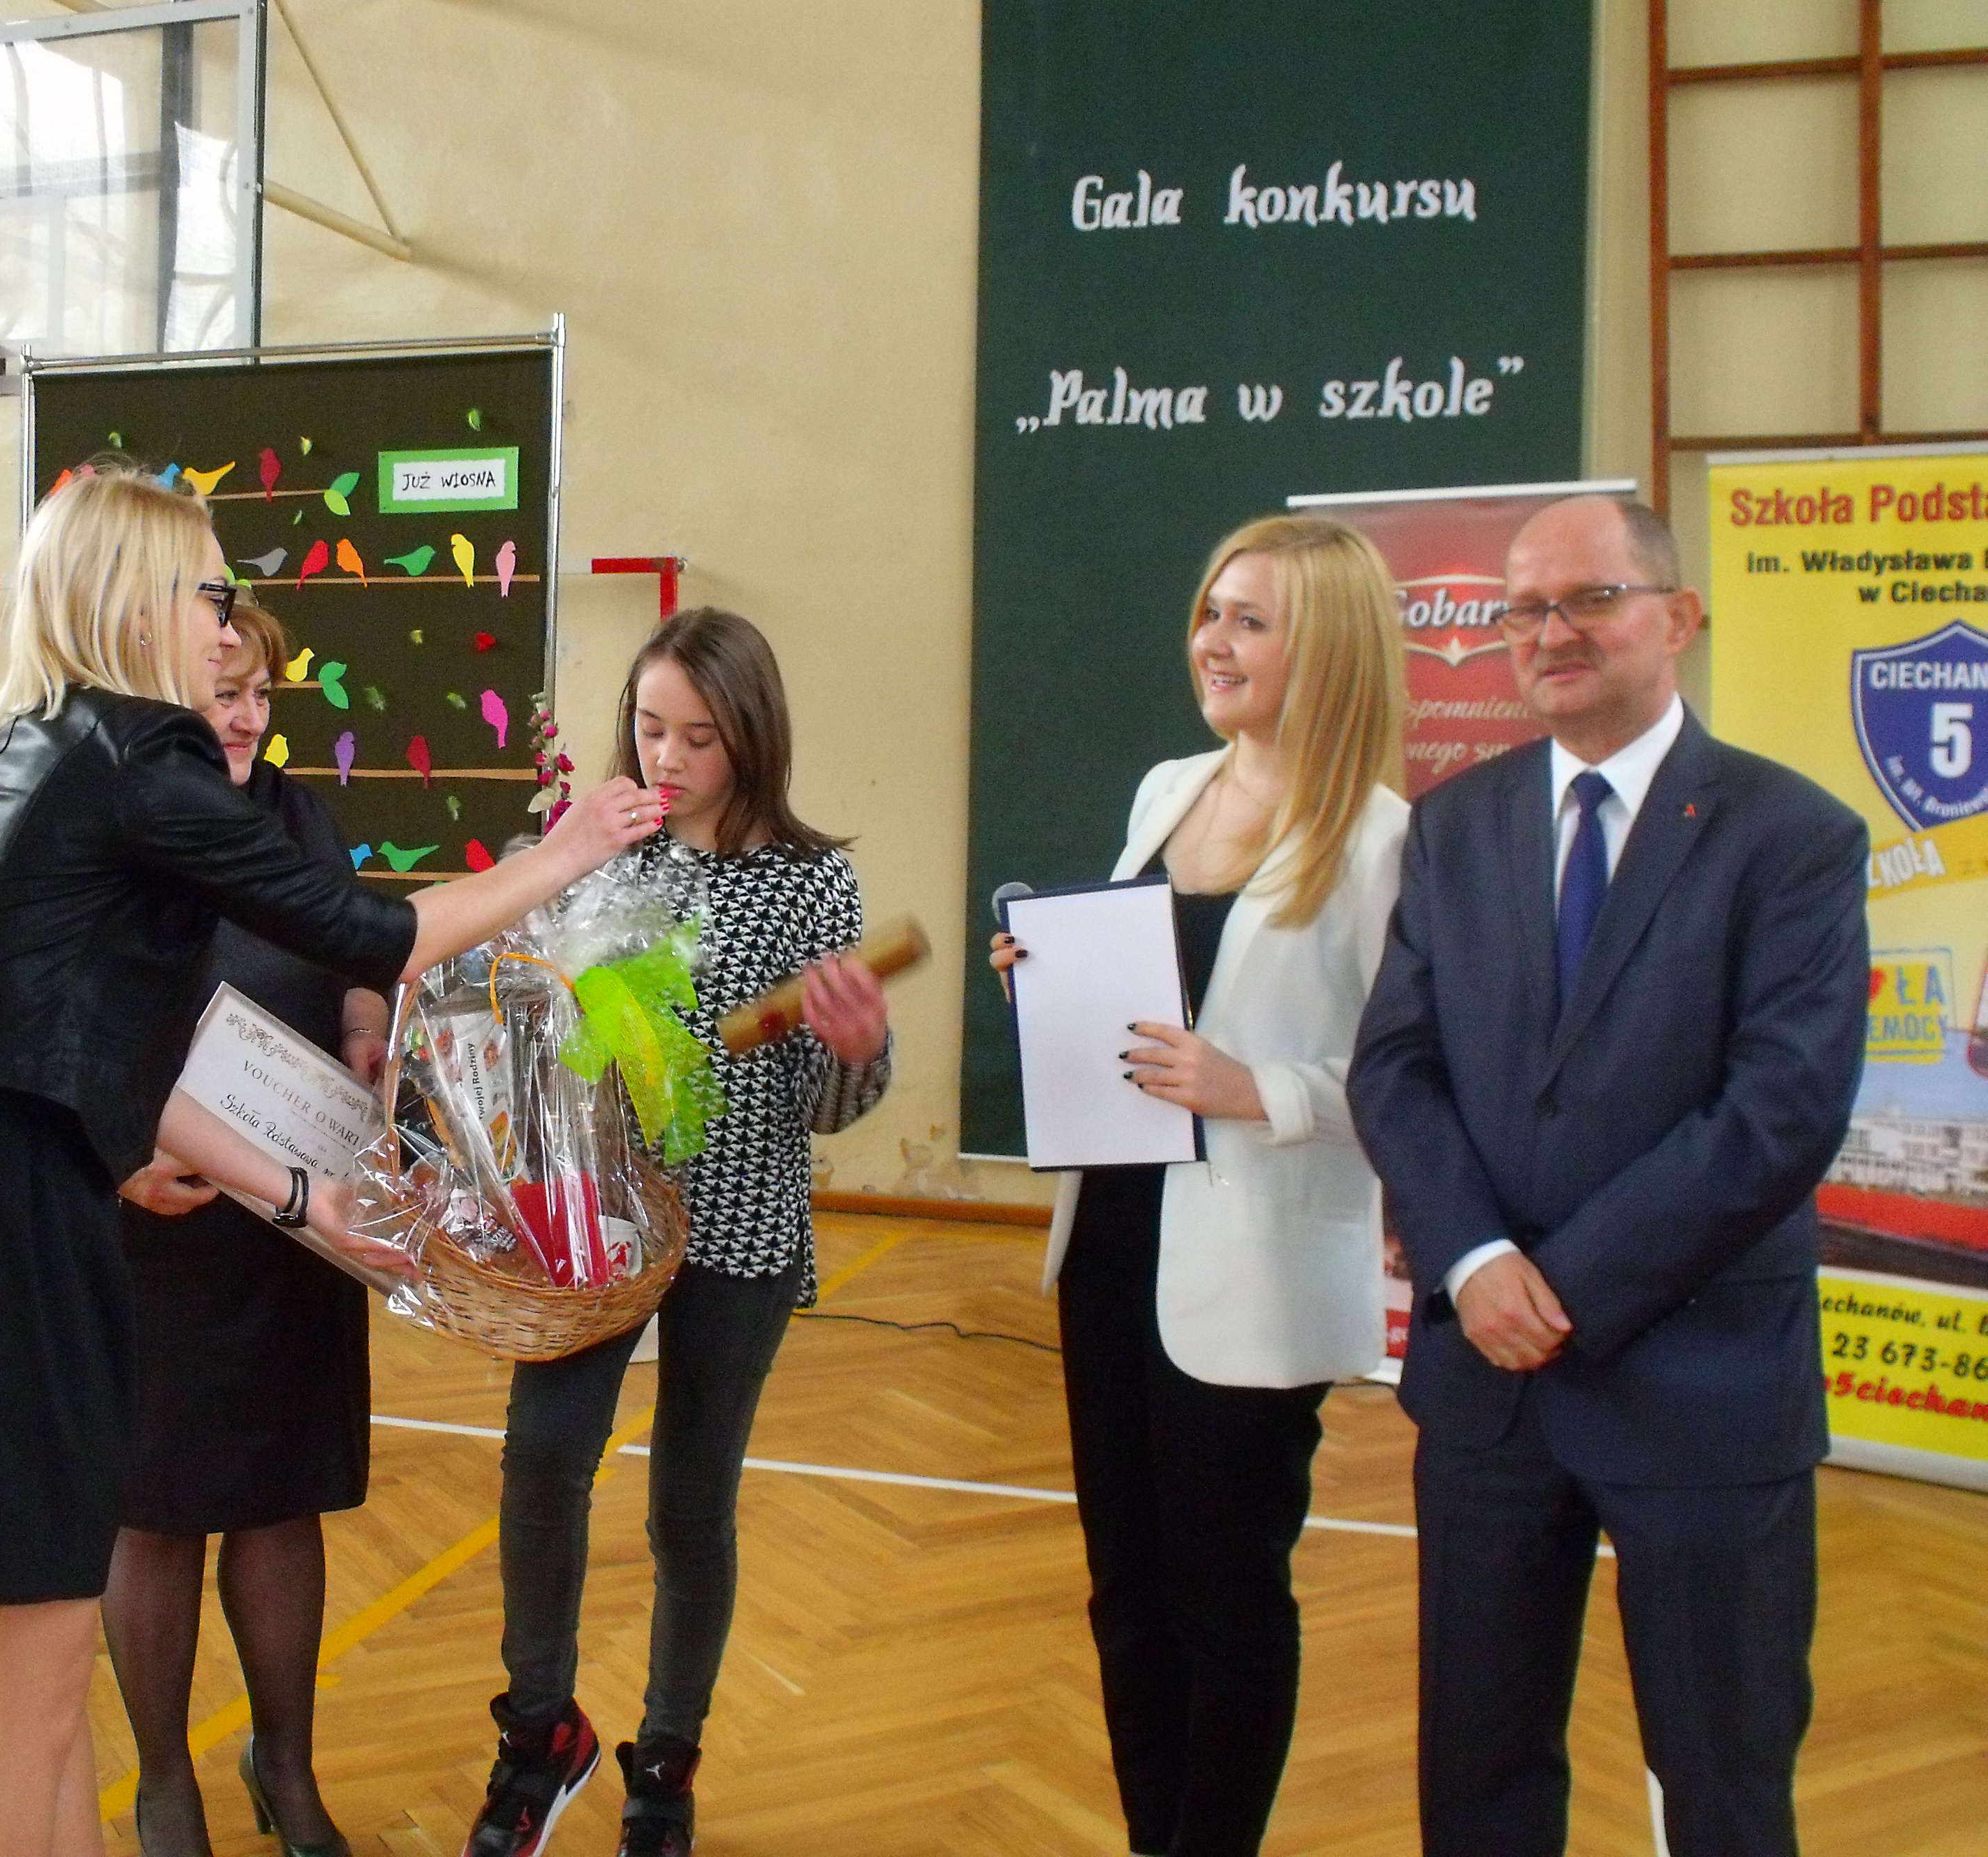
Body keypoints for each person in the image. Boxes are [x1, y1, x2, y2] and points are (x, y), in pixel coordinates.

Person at [0, 467, 664, 1857]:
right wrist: (561, 855)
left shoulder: (28, 760)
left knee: (49, 1701)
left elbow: (117, 1054)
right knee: (22, 1712)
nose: (225, 624)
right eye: (209, 591)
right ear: (139, 599)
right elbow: (378, 937)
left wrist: (298, 1195)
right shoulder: (138, 766)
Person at [1347, 494, 1867, 1857]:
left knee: (1724, 1780)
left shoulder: (1792, 836)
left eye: (1590, 599)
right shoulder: (1454, 826)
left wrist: (1559, 1286)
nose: (1550, 633)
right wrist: (1474, 1263)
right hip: (1490, 1393)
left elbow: (1780, 1112)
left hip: (1704, 1388)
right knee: (1480, 1775)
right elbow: (1395, 1067)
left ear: (1678, 618)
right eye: (1523, 609)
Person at [990, 514, 1408, 1857]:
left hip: (1255, 1272)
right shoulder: (1167, 789)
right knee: (1125, 1590)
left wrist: (1256, 1088)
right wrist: (1055, 982)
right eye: (1209, 612)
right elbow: (1151, 1005)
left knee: (1228, 1600)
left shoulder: (1384, 842)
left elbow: (1413, 1083)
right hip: (1112, 1241)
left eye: (1250, 621)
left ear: (1326, 647)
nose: (1212, 643)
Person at [461, 607, 893, 1857]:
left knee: (692, 1505)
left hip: (740, 1226)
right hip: (590, 1222)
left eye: (700, 737)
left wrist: (856, 1050)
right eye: (651, 728)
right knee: (543, 1461)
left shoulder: (812, 882)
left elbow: (826, 1104)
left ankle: (667, 1761)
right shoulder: (595, 849)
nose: (668, 758)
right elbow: (530, 1027)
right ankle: (538, 1736)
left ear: (752, 737)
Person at [101, 602, 390, 1857]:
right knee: (155, 1509)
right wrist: (120, 1154)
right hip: (159, 1223)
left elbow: (361, 942)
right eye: (224, 690)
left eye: (262, 694)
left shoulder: (295, 814)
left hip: (297, 1219)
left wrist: (367, 1024)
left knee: (282, 1501)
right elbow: (63, 1016)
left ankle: (287, 1769)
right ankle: (165, 1782)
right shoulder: (117, 815)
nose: (246, 716)